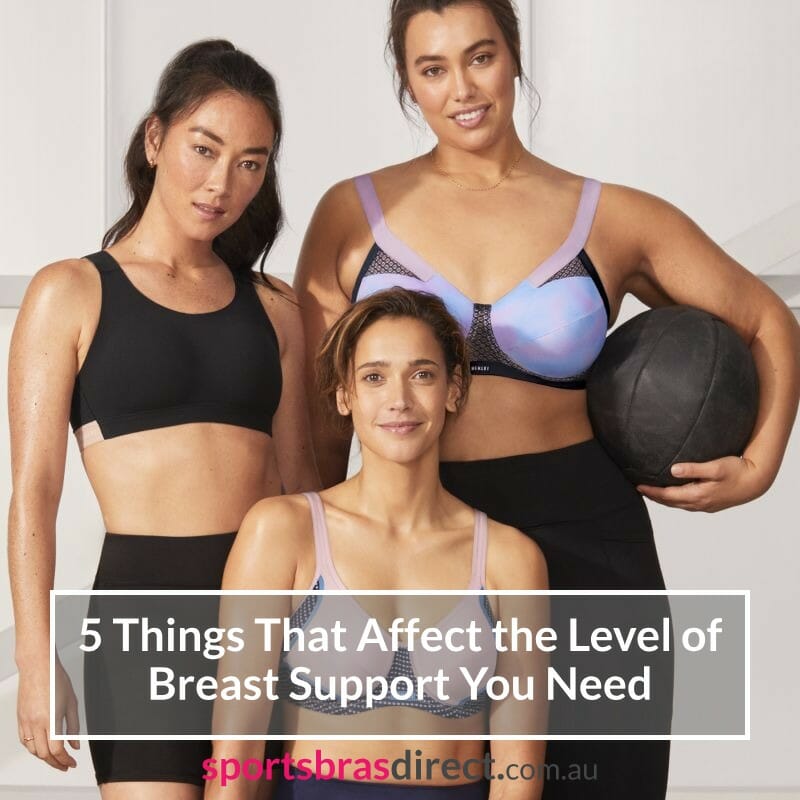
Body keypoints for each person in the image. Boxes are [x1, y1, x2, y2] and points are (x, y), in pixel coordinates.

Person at [292, 1, 800, 797]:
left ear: (514, 54)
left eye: (480, 57)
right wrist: (315, 554)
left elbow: (766, 319)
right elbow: (324, 412)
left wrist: (760, 466)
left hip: (587, 541)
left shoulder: (613, 216)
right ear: (408, 83)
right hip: (421, 543)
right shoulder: (351, 214)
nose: (463, 88)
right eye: (433, 69)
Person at [8, 39, 318, 798]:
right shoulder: (69, 292)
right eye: (203, 149)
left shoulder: (276, 308)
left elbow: (307, 490)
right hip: (143, 625)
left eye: (250, 163)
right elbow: (34, 493)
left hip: (271, 618)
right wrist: (36, 662)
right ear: (155, 139)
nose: (222, 183)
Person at [205, 288, 549, 799]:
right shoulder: (283, 532)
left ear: (453, 389)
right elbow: (237, 753)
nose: (399, 399)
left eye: (422, 374)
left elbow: (518, 773)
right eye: (373, 377)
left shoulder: (510, 558)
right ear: (344, 395)